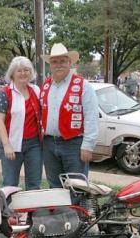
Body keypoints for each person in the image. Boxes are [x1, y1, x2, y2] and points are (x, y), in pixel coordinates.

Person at [40, 43, 99, 188]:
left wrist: (88, 146)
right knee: (55, 186)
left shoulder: (82, 85)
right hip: (49, 144)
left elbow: (92, 116)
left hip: (74, 144)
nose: (58, 65)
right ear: (50, 65)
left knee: (77, 186)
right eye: (54, 61)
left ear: (69, 62)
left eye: (62, 61)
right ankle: (61, 211)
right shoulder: (45, 86)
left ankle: (77, 211)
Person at [0, 56, 42, 190]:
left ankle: (32, 211)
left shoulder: (36, 91)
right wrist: (7, 145)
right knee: (10, 184)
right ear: (12, 74)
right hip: (11, 144)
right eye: (19, 70)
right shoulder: (4, 94)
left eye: (26, 70)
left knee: (34, 184)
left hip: (34, 145)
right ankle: (8, 211)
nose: (23, 73)